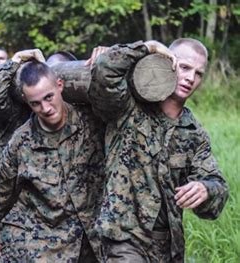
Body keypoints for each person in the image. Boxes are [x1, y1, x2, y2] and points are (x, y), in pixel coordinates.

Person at [88, 39, 229, 262]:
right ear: (167, 62)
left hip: (167, 247)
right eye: (184, 67)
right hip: (122, 239)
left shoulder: (193, 132)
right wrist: (147, 47)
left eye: (198, 73)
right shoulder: (128, 109)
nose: (191, 78)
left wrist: (206, 189)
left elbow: (217, 188)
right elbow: (105, 73)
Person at [0, 57, 106, 262]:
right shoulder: (21, 142)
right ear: (26, 101)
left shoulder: (91, 122)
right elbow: (2, 191)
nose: (46, 108)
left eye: (49, 97)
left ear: (60, 86)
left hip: (94, 241)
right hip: (51, 246)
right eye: (36, 103)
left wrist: (108, 55)